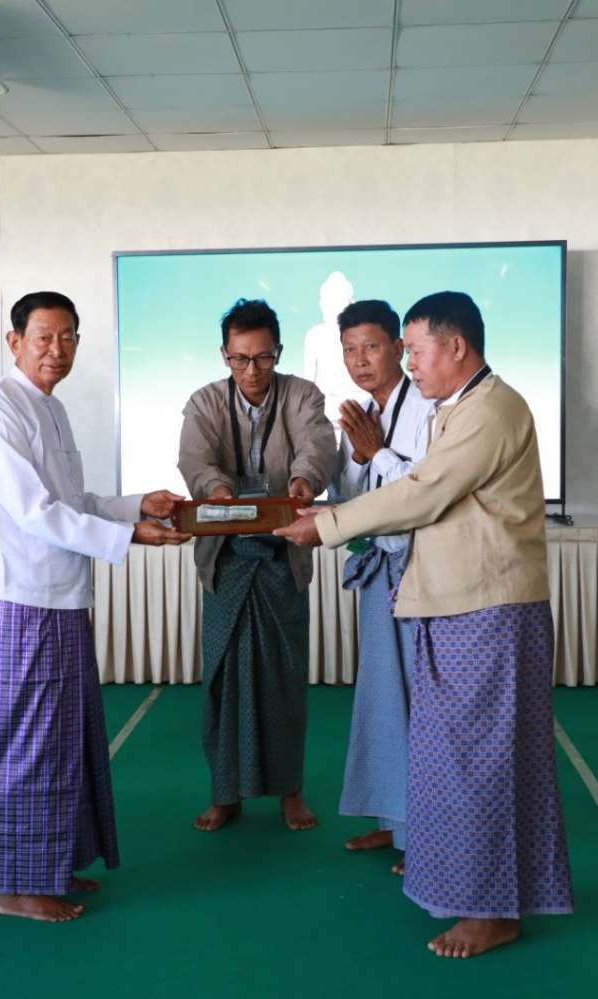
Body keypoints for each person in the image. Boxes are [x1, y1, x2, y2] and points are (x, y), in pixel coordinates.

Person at [276, 291, 574, 959]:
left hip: (485, 609)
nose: (406, 363)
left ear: (456, 346)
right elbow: (417, 492)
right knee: (457, 760)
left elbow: (423, 493)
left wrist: (328, 524)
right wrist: (329, 512)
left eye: (412, 349)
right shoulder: (461, 408)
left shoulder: (490, 409)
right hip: (457, 603)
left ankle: (490, 910)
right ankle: (484, 893)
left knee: (478, 763)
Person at [0, 291, 188, 923]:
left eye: (67, 338)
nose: (56, 350)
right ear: (14, 341)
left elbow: (73, 501)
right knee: (24, 745)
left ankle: (52, 865)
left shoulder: (49, 408)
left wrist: (137, 505)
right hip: (22, 598)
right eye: (43, 337)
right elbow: (34, 513)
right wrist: (130, 535)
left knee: (63, 740)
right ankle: (15, 885)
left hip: (59, 595)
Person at [178, 298, 338, 833]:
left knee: (284, 679)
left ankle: (291, 789)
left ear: (279, 353)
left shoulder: (303, 395)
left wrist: (303, 482)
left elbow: (317, 444)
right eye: (241, 358)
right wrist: (217, 492)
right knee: (223, 679)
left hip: (281, 556)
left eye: (263, 358)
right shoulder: (204, 402)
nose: (252, 370)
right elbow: (196, 460)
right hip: (227, 561)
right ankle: (225, 793)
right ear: (224, 355)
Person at [328, 300, 436, 866]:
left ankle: (426, 834)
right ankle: (395, 821)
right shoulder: (364, 413)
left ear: (398, 348)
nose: (360, 360)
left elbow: (424, 491)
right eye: (350, 349)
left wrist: (377, 451)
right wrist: (354, 455)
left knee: (419, 700)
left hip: (419, 570)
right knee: (383, 698)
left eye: (371, 346)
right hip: (378, 569)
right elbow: (347, 497)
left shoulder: (426, 408)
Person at [301, 271, 362, 423]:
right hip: (324, 414)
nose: (327, 303)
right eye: (326, 299)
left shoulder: (361, 335)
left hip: (357, 411)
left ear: (350, 302)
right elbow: (308, 382)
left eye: (336, 298)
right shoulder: (314, 335)